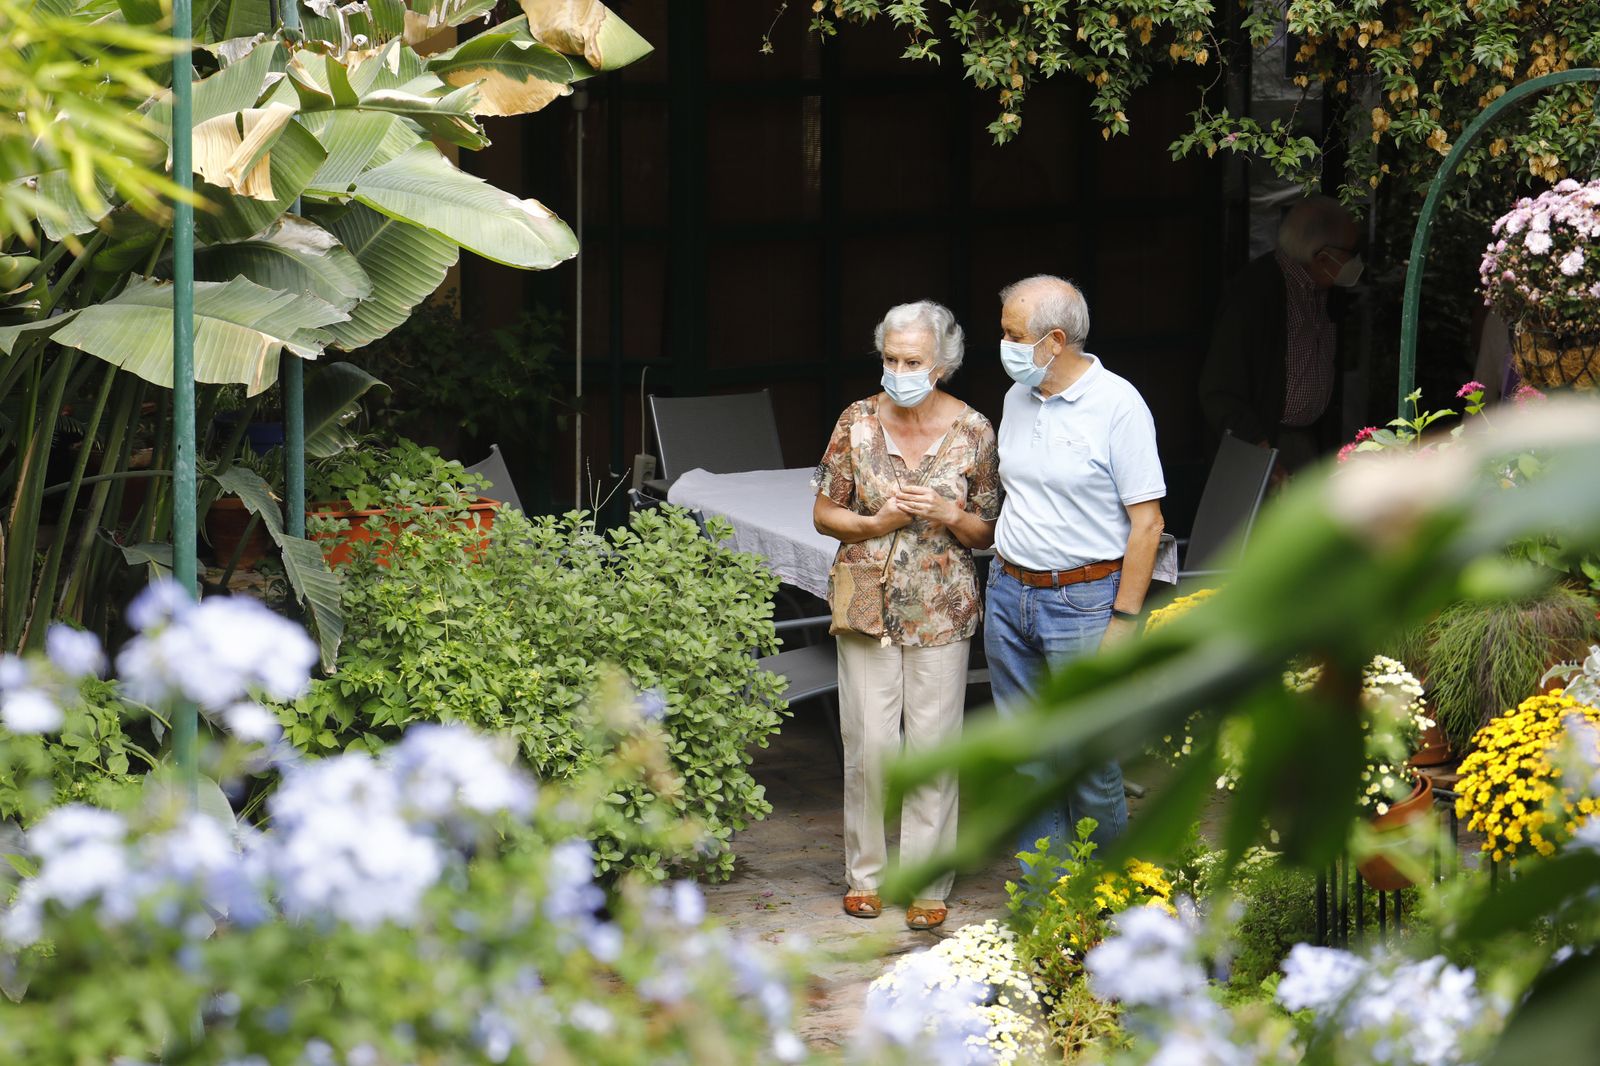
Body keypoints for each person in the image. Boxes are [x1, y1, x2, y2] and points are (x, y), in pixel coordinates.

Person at [812, 300, 1000, 931]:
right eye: (890, 358)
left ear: (941, 364)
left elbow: (988, 530)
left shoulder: (974, 430)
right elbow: (824, 512)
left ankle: (926, 881)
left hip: (941, 608)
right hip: (866, 601)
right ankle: (864, 876)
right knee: (868, 744)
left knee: (933, 745)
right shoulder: (856, 421)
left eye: (912, 360)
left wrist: (950, 515)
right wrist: (873, 522)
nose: (898, 370)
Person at [986, 275, 1166, 863]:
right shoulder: (1018, 397)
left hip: (1084, 604)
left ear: (1054, 340)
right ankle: (1042, 905)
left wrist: (1123, 622)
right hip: (1010, 592)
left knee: (1089, 764)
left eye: (1013, 334)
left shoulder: (1119, 405)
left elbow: (1149, 524)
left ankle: (1108, 907)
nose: (1004, 344)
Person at [1200, 195, 1363, 474]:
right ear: (1321, 255)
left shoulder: (1323, 288)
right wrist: (1259, 449)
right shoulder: (1255, 293)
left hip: (1310, 439)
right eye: (1350, 251)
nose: (1357, 259)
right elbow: (1219, 390)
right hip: (1265, 445)